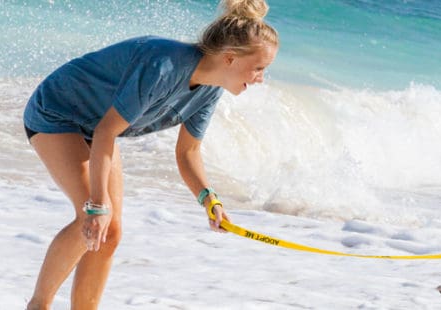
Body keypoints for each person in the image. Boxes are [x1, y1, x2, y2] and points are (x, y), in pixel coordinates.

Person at [22, 0, 277, 308]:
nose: (261, 78)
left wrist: (209, 199)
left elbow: (188, 152)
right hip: (57, 112)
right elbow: (107, 132)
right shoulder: (164, 66)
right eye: (259, 68)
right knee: (90, 217)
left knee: (111, 231)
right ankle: (39, 305)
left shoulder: (211, 89)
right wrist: (97, 204)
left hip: (99, 128)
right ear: (230, 58)